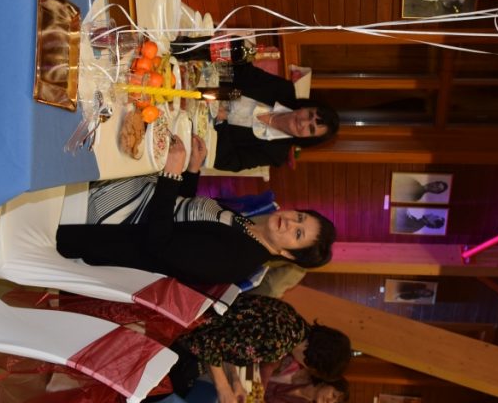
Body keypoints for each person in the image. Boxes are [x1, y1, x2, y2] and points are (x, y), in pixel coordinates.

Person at [57, 134, 336, 285]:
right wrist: (192, 171)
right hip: (140, 198)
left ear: (288, 254)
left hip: (112, 223)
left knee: (98, 145)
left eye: (297, 234)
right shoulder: (249, 228)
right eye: (300, 217)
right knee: (127, 140)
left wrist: (171, 176)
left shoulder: (235, 261)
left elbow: (159, 243)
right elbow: (184, 215)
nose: (290, 222)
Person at [171, 295, 351, 403]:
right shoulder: (279, 343)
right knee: (185, 402)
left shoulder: (293, 319)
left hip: (194, 313)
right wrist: (223, 387)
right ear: (315, 360)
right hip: (181, 331)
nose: (306, 367)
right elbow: (208, 341)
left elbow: (227, 340)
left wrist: (235, 380)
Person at [212, 63, 340, 172]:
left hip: (203, 131)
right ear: (305, 107)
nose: (303, 122)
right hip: (208, 89)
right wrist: (212, 73)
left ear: (308, 139)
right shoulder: (283, 89)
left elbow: (227, 161)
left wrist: (220, 122)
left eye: (311, 129)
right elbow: (242, 71)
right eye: (309, 114)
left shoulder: (275, 153)